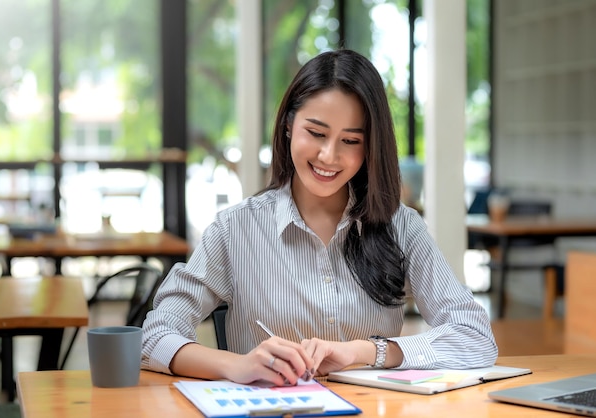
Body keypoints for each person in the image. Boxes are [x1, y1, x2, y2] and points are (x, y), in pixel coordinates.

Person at [141, 49, 498, 386]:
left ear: (370, 146)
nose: (329, 156)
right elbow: (154, 336)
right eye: (316, 133)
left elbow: (476, 336)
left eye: (351, 141)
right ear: (288, 126)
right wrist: (237, 365)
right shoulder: (235, 230)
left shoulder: (400, 226)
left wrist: (365, 351)